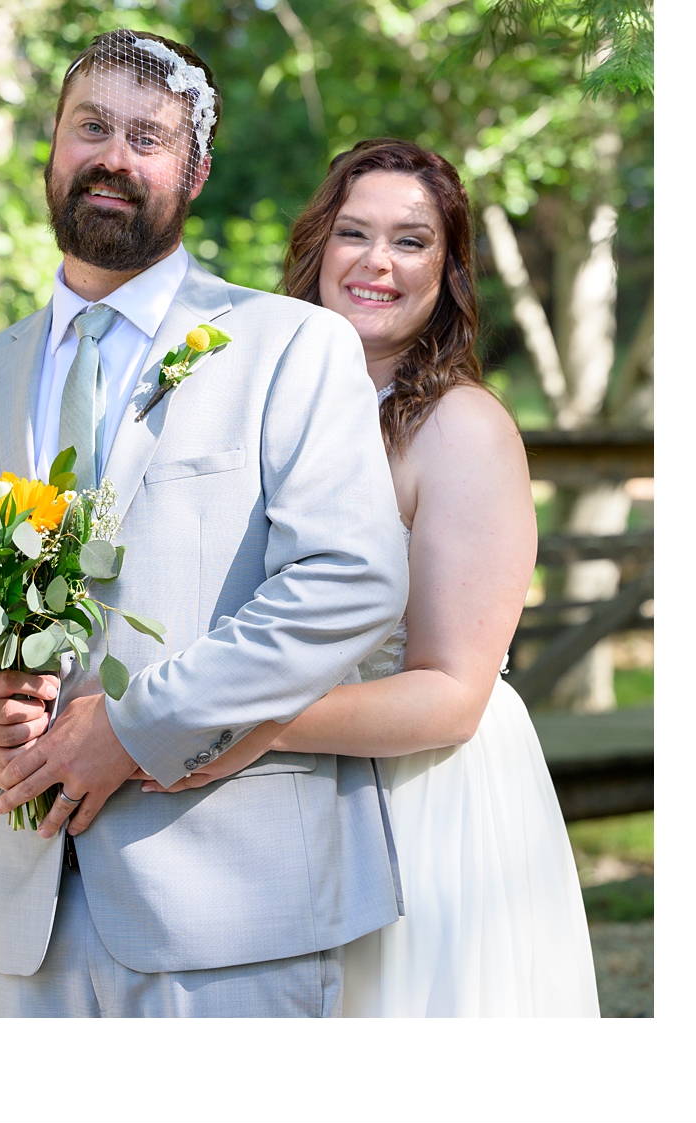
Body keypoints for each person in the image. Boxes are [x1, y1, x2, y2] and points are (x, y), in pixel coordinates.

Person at [0, 28, 409, 1018]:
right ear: (50, 148)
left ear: (194, 171)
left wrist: (133, 727)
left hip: (230, 902)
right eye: (90, 127)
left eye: (147, 137)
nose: (113, 158)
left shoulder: (289, 346)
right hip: (34, 900)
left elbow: (349, 582)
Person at [145, 138, 600, 1016]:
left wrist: (235, 722)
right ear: (318, 248)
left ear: (448, 271)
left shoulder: (462, 430)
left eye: (412, 239)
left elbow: (450, 695)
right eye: (354, 232)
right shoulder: (249, 405)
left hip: (422, 808)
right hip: (287, 807)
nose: (377, 262)